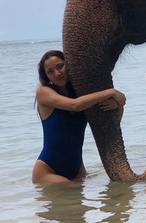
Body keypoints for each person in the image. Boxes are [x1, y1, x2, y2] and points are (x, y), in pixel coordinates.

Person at [32, 50, 126, 185]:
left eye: (60, 66)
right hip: (47, 172)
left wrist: (118, 105)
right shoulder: (43, 92)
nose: (57, 73)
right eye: (50, 71)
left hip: (78, 170)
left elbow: (113, 124)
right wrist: (110, 92)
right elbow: (74, 105)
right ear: (47, 77)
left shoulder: (81, 95)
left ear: (69, 64)